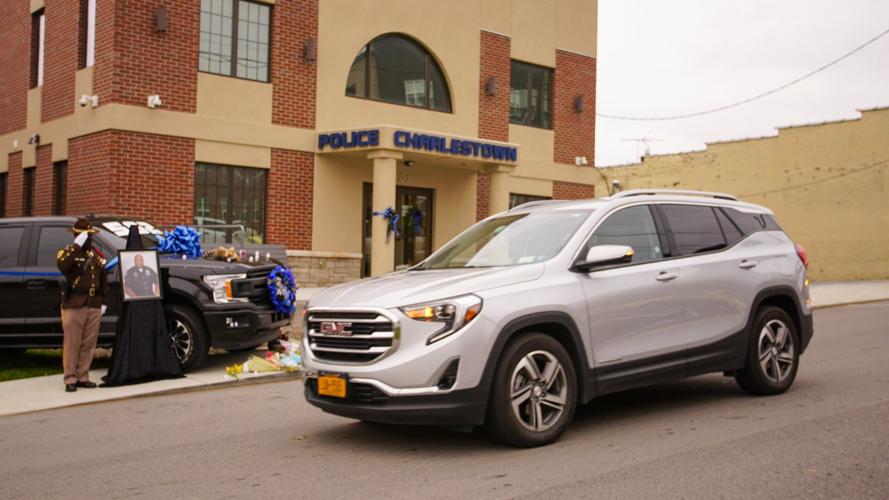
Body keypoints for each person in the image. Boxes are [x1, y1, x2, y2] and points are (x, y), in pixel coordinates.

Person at [102, 225, 182, 386]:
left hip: (150, 302)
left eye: (140, 259)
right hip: (133, 304)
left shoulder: (149, 269)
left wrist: (155, 293)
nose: (139, 261)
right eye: (137, 259)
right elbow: (128, 286)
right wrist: (133, 295)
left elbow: (155, 284)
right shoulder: (129, 270)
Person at [56, 218, 109, 392]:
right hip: (75, 304)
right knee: (72, 342)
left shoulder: (97, 255)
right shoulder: (69, 252)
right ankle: (70, 378)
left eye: (89, 235)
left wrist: (104, 302)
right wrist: (76, 246)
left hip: (94, 303)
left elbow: (104, 280)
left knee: (89, 343)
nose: (87, 238)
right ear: (76, 235)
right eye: (83, 235)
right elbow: (63, 266)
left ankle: (82, 376)